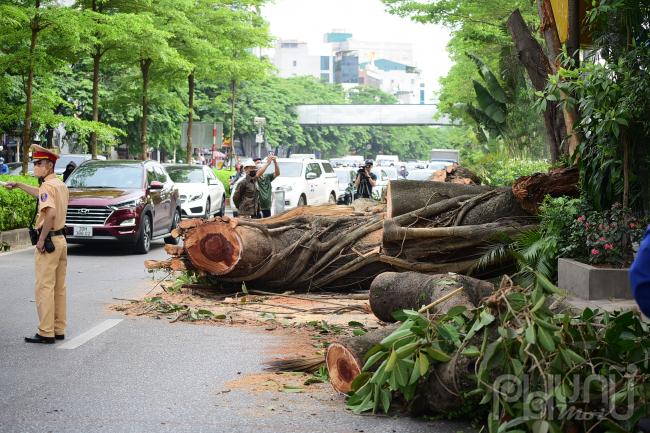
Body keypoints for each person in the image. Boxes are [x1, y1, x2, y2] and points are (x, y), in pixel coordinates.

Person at [2, 144, 69, 344]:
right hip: (61, 241)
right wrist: (20, 185)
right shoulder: (59, 185)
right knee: (59, 288)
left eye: (38, 163)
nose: (35, 167)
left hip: (48, 242)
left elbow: (50, 213)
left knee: (44, 287)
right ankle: (58, 329)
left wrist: (40, 240)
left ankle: (46, 332)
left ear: (48, 165)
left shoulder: (48, 186)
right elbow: (42, 195)